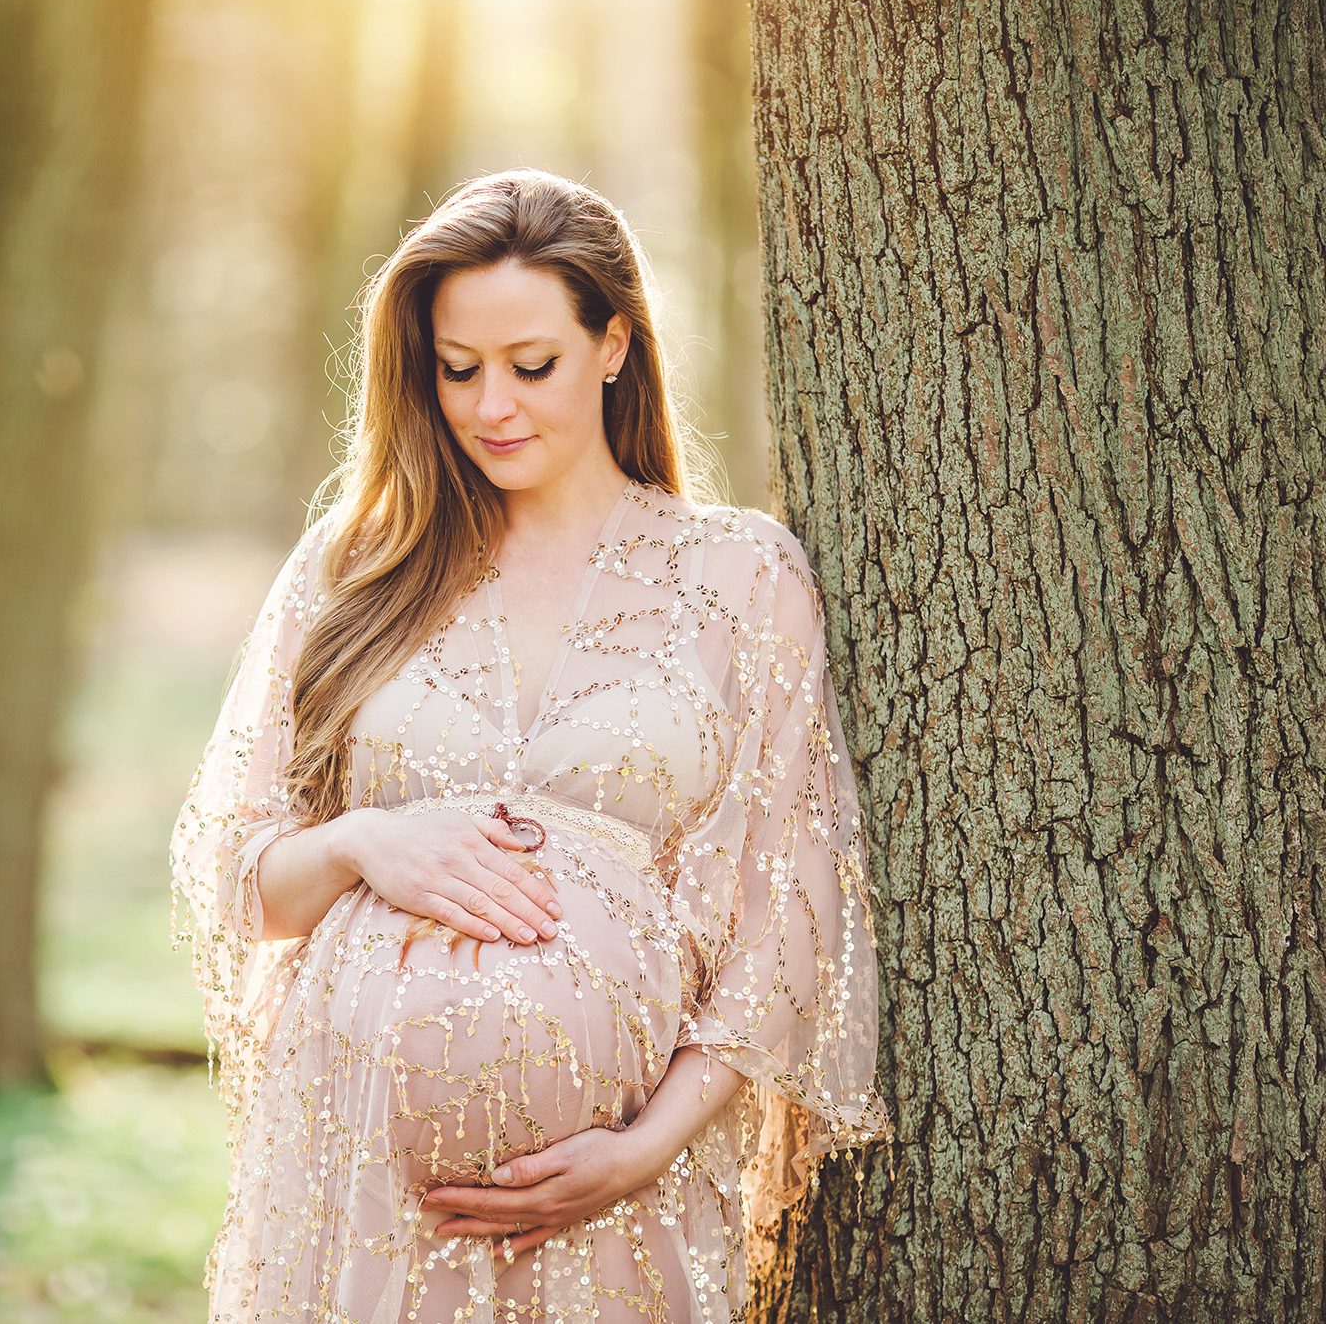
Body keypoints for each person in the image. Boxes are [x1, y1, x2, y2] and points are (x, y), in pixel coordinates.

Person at [169, 168, 891, 1321]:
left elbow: (786, 902)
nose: (489, 405)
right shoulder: (355, 568)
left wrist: (645, 1146)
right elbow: (237, 875)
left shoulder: (736, 577)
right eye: (457, 369)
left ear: (613, 346)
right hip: (352, 1190)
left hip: (618, 1200)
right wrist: (365, 841)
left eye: (530, 365)